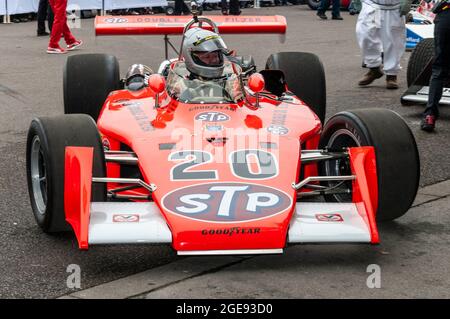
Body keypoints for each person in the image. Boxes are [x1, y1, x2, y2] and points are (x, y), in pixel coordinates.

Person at [356, 0, 411, 89]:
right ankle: (374, 68)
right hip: (371, 4)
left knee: (393, 41)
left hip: (394, 7)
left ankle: (391, 75)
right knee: (364, 35)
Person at [421, 0, 450, 131]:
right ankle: (430, 114)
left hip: (446, 15)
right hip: (445, 14)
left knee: (439, 68)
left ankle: (430, 115)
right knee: (439, 67)